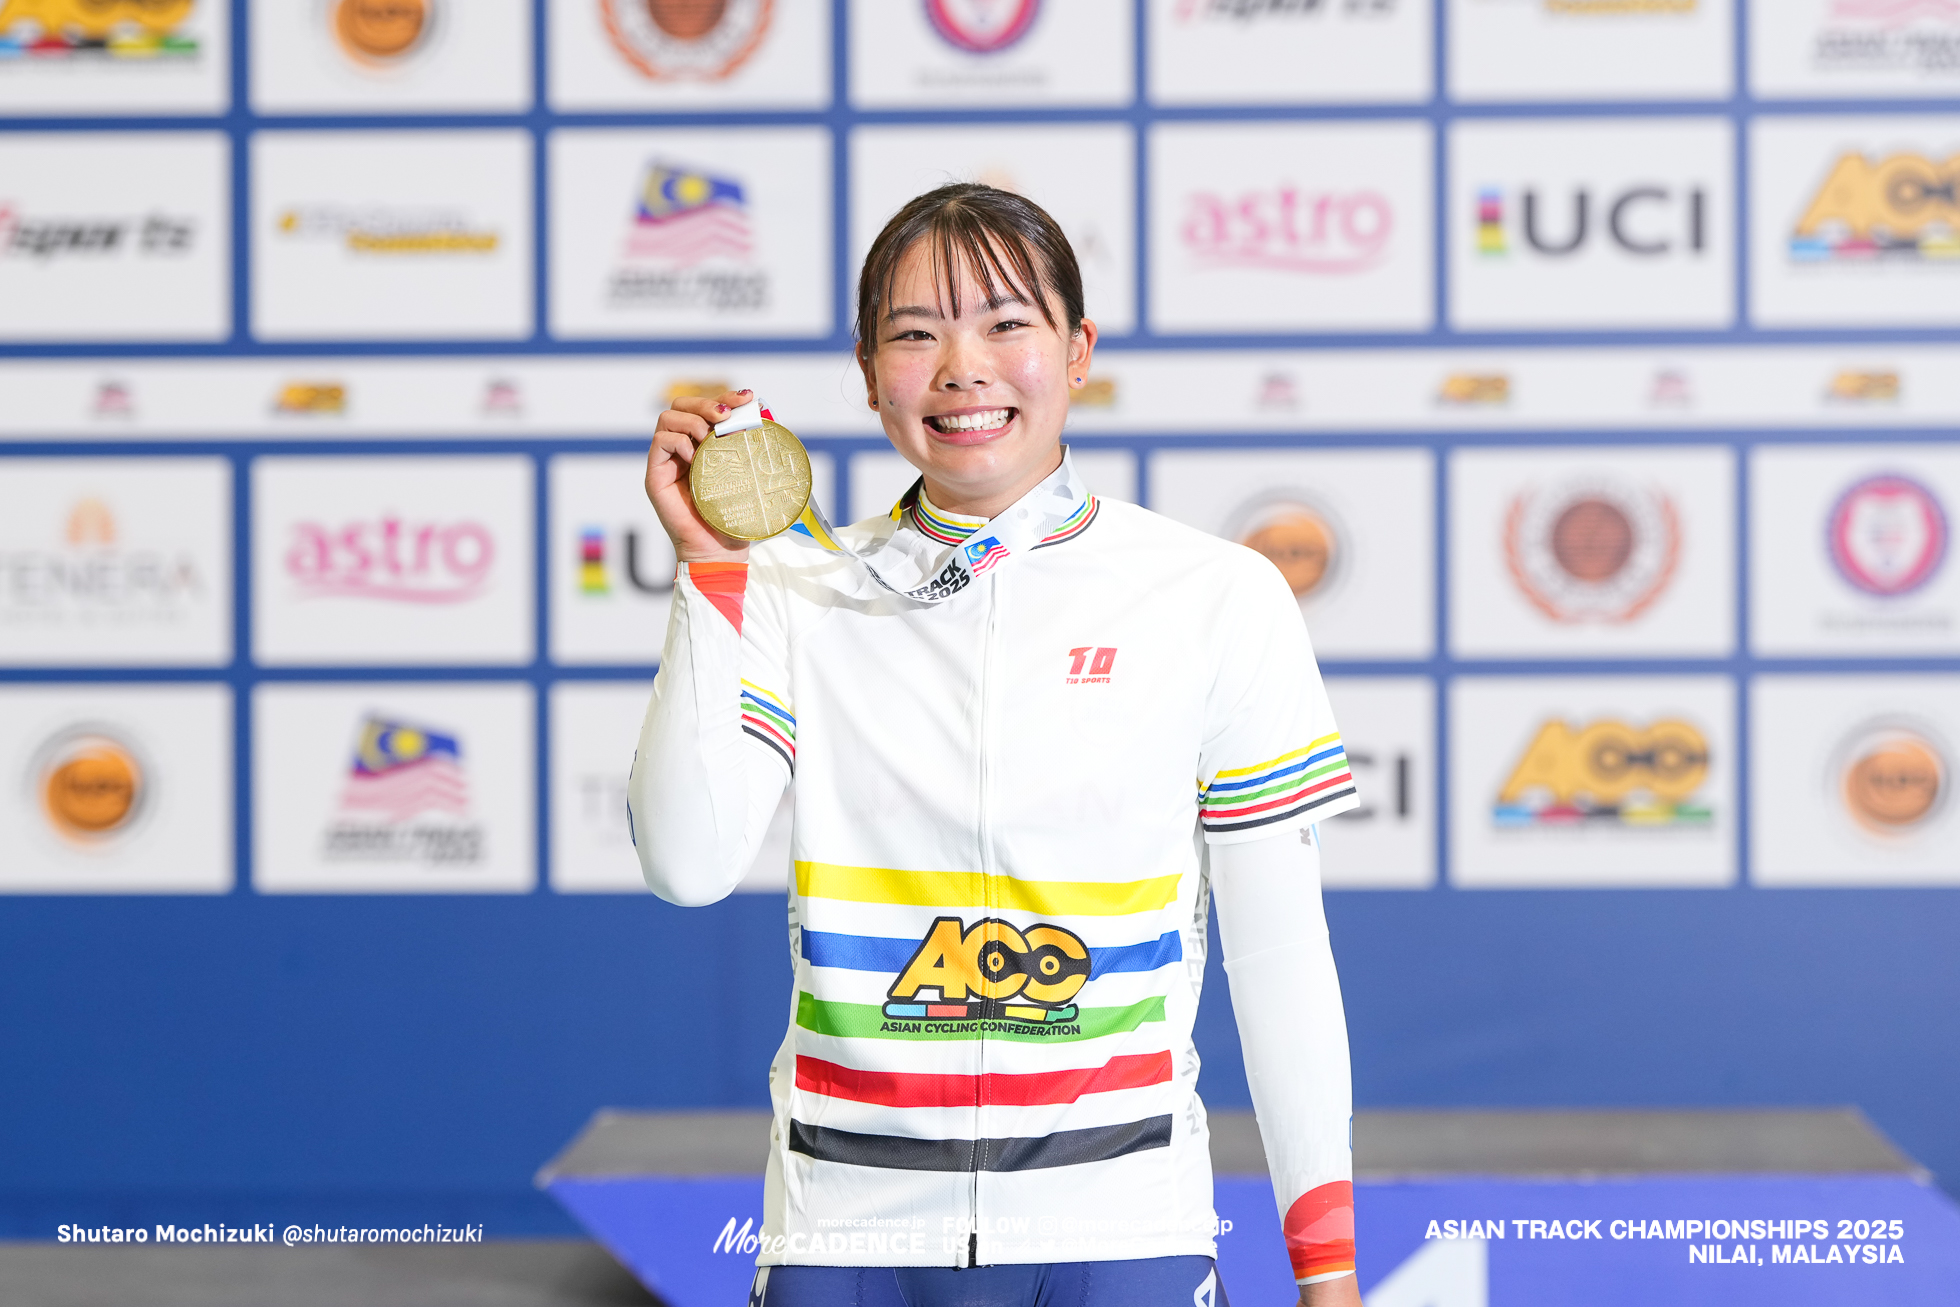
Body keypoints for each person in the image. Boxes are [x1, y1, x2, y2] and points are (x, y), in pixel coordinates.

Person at [629, 183, 1362, 1307]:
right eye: (915, 333)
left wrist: (1328, 1273)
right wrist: (709, 570)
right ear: (869, 377)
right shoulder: (797, 588)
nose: (962, 366)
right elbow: (685, 864)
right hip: (847, 1240)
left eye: (1006, 324)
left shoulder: (1213, 594)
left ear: (1077, 352)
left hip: (1120, 1232)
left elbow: (1280, 961)